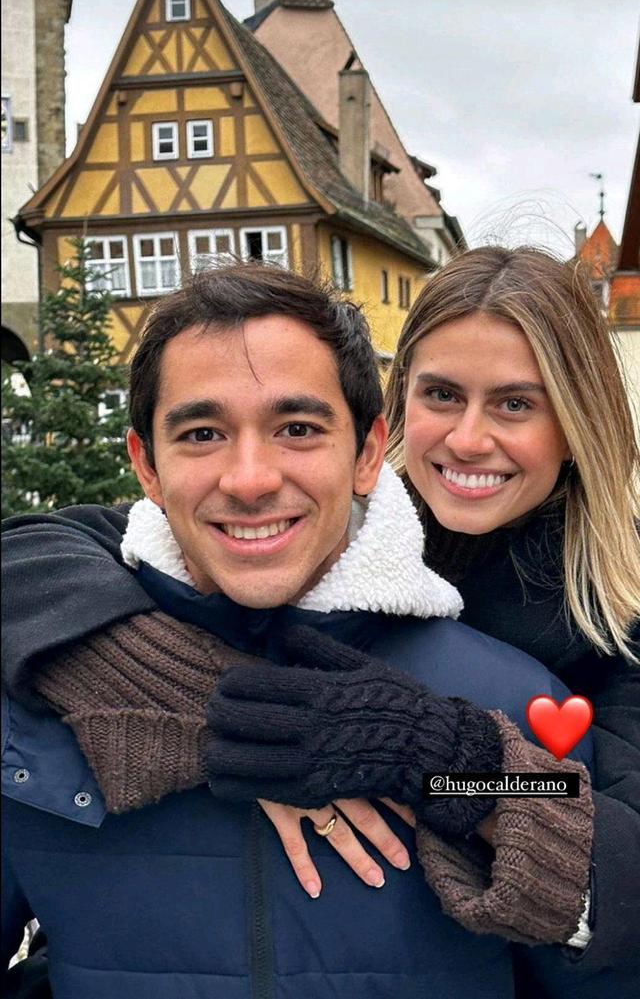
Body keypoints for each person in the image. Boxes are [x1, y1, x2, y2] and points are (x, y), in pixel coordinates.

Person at [0, 264, 616, 998]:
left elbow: (594, 906)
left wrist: (438, 766)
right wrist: (186, 693)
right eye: (202, 433)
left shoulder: (516, 691)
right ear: (147, 466)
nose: (251, 479)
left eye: (297, 429)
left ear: (366, 453)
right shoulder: (44, 673)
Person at [383, 245, 640, 984]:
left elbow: (619, 855)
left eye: (515, 404)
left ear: (576, 423)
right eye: (441, 395)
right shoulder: (331, 535)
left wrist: (440, 768)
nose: (467, 439)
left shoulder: (622, 606)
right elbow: (90, 544)